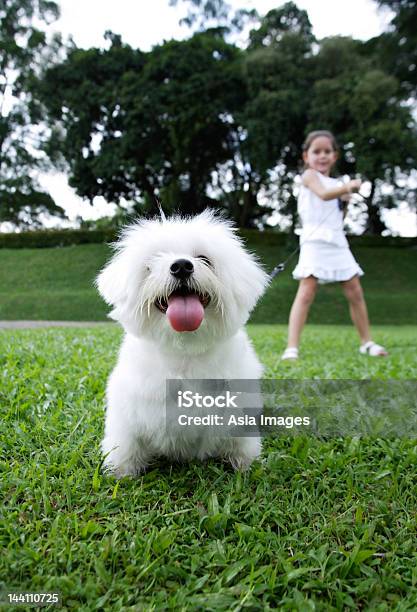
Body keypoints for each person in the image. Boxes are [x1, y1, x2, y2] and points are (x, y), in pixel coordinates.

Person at [282, 130, 388, 360]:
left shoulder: (337, 183)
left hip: (337, 242)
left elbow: (337, 217)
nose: (322, 156)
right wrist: (348, 187)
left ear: (335, 156)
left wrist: (345, 200)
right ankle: (292, 347)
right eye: (316, 151)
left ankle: (366, 342)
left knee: (355, 291)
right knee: (306, 292)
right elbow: (322, 194)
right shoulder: (309, 176)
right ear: (306, 156)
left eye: (327, 151)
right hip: (313, 241)